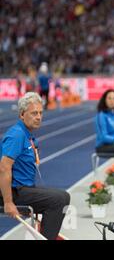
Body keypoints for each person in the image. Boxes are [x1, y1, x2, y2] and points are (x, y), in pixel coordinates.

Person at [0, 92, 70, 240]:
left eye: (40, 113)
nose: (38, 117)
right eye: (34, 113)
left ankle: (46, 234)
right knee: (59, 199)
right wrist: (8, 202)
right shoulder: (17, 135)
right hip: (13, 192)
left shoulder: (28, 135)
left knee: (61, 197)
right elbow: (4, 168)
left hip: (24, 188)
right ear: (22, 115)